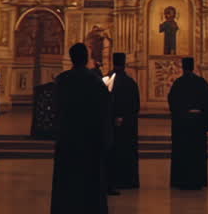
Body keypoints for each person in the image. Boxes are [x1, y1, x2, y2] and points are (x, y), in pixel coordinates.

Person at [51, 43, 111, 214]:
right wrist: (106, 140)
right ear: (87, 58)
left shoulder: (62, 80)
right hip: (90, 141)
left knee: (66, 181)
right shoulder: (95, 82)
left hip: (68, 139)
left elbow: (56, 108)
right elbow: (104, 113)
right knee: (90, 184)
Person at [168, 57, 208, 190]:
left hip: (182, 124)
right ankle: (198, 179)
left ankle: (181, 179)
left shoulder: (178, 84)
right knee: (197, 153)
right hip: (198, 124)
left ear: (183, 67)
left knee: (182, 152)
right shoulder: (201, 83)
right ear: (193, 67)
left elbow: (172, 103)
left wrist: (180, 115)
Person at [107, 52, 141, 191]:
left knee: (112, 151)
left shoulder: (106, 81)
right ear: (125, 63)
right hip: (127, 124)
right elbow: (136, 106)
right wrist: (123, 117)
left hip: (110, 123)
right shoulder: (131, 83)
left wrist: (114, 117)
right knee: (126, 151)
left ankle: (111, 179)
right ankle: (127, 180)